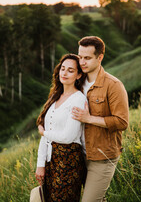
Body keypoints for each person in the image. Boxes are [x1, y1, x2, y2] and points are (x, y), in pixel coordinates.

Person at [72, 36, 129, 202]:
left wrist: (89, 118)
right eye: (80, 57)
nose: (82, 62)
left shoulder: (113, 85)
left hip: (102, 156)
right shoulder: (77, 82)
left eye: (87, 58)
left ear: (100, 57)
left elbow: (122, 122)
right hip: (79, 154)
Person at [35, 54, 87, 202]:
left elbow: (67, 137)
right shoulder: (55, 96)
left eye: (70, 70)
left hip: (68, 160)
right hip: (51, 160)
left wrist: (44, 132)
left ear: (78, 75)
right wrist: (40, 165)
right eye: (62, 69)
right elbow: (46, 136)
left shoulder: (78, 99)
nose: (64, 73)